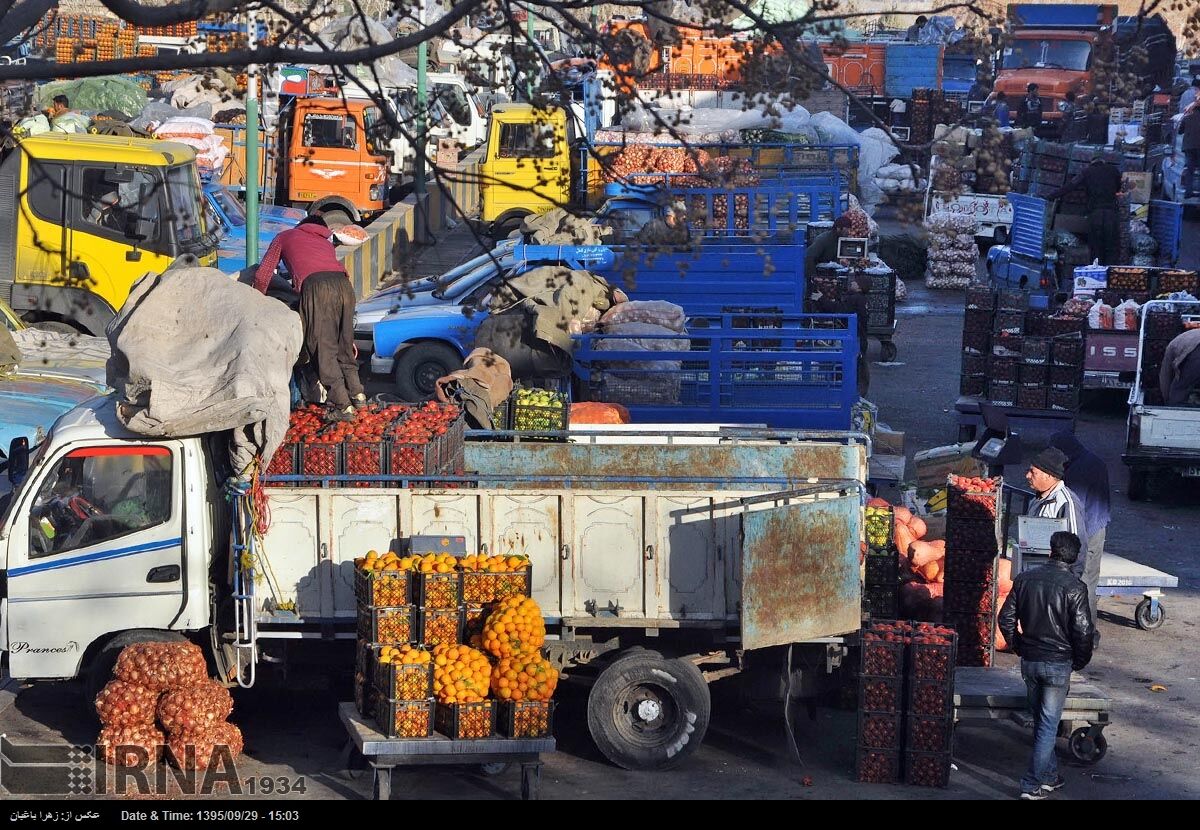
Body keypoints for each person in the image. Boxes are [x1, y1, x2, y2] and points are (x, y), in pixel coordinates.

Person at [998, 531, 1095, 800]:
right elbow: (1083, 631)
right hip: (1058, 664)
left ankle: (1050, 775)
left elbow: (1005, 618)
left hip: (1030, 661)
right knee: (1047, 725)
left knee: (1042, 720)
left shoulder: (1025, 579)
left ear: (1051, 551)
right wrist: (1079, 660)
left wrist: (1018, 645)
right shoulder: (1075, 588)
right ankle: (1031, 784)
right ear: (1074, 558)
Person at [254, 214, 366, 419]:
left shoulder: (285, 236)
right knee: (344, 344)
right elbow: (340, 272)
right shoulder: (325, 243)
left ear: (301, 226)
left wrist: (255, 301)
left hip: (317, 288)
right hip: (344, 286)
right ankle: (357, 394)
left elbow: (263, 275)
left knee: (322, 347)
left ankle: (343, 405)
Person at [1049, 432, 1110, 643]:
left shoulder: (1078, 471)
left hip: (1086, 531)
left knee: (1083, 583)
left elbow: (1074, 508)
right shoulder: (1093, 460)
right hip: (1098, 524)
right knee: (1088, 580)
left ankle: (1086, 634)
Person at [1047, 154, 1122, 265]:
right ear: (1103, 161)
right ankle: (1110, 276)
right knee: (1111, 248)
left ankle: (1097, 276)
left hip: (1095, 214)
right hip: (1112, 214)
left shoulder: (1087, 172)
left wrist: (1050, 196)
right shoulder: (1114, 170)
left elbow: (1070, 186)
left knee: (1096, 248)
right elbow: (1118, 188)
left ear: (1091, 163)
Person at [1159, 327, 1200, 405]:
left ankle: (1173, 409)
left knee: (1180, 388)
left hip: (1196, 350)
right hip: (1195, 349)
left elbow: (1165, 378)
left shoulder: (1172, 348)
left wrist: (1166, 399)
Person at [1178, 104, 1200, 198]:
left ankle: (1188, 192)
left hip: (1188, 148)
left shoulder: (1187, 117)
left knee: (1189, 170)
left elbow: (1180, 131)